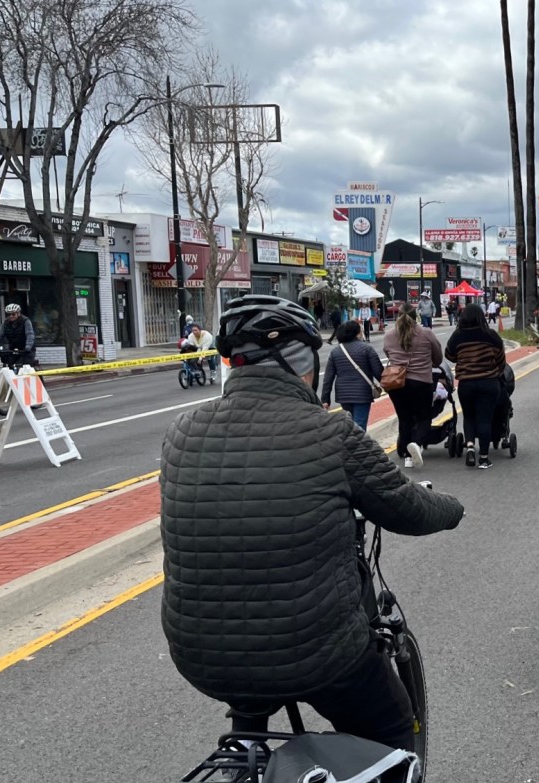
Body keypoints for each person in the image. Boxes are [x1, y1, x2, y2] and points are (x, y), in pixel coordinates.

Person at [159, 294, 464, 757]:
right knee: (392, 725)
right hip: (315, 652)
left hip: (199, 654)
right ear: (300, 360)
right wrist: (453, 508)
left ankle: (246, 742)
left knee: (250, 676)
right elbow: (409, 509)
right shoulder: (331, 434)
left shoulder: (181, 432)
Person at [444, 303, 507, 469]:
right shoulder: (490, 335)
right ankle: (484, 458)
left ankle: (470, 447)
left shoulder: (458, 336)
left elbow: (449, 354)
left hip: (466, 383)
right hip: (489, 382)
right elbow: (501, 359)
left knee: (469, 416)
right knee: (485, 419)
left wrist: (463, 359)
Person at [383, 305, 443, 468]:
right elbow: (437, 359)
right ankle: (416, 444)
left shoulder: (389, 335)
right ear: (416, 316)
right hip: (421, 381)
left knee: (404, 418)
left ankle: (408, 458)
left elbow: (388, 354)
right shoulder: (426, 333)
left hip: (397, 383)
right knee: (424, 417)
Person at [321, 320, 385, 431]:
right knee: (359, 426)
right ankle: (357, 447)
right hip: (362, 394)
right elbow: (379, 372)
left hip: (343, 395)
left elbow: (328, 377)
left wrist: (325, 399)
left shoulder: (336, 351)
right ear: (357, 333)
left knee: (349, 425)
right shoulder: (366, 349)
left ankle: (350, 446)